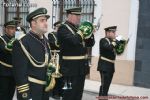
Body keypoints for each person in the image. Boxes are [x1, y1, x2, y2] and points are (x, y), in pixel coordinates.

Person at [12, 8, 51, 100]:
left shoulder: (45, 41)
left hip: (44, 90)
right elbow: (19, 73)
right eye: (42, 20)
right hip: (31, 90)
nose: (46, 23)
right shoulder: (22, 42)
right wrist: (25, 95)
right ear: (33, 23)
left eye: (46, 20)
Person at [57, 7, 95, 100]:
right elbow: (74, 40)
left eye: (79, 15)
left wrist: (90, 33)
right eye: (76, 15)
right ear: (69, 15)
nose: (79, 18)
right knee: (69, 95)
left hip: (81, 68)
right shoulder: (63, 28)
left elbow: (90, 44)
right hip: (70, 68)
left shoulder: (77, 28)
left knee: (78, 94)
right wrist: (83, 31)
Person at [97, 26, 118, 97]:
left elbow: (117, 51)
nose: (115, 34)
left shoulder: (112, 42)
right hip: (104, 66)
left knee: (106, 86)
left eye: (115, 32)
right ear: (108, 32)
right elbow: (108, 48)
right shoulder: (103, 40)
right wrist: (115, 41)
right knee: (104, 86)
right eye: (113, 32)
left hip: (111, 66)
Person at [0, 20, 16, 100]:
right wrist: (14, 40)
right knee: (3, 93)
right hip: (4, 71)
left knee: (11, 93)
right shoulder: (1, 39)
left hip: (13, 71)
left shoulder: (17, 40)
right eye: (11, 28)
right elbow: (5, 50)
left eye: (14, 28)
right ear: (6, 29)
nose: (13, 30)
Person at [48, 21, 64, 100]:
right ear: (56, 27)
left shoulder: (62, 35)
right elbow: (55, 44)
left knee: (62, 76)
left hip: (62, 56)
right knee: (55, 76)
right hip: (55, 57)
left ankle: (61, 92)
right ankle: (55, 93)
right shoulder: (51, 34)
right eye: (59, 27)